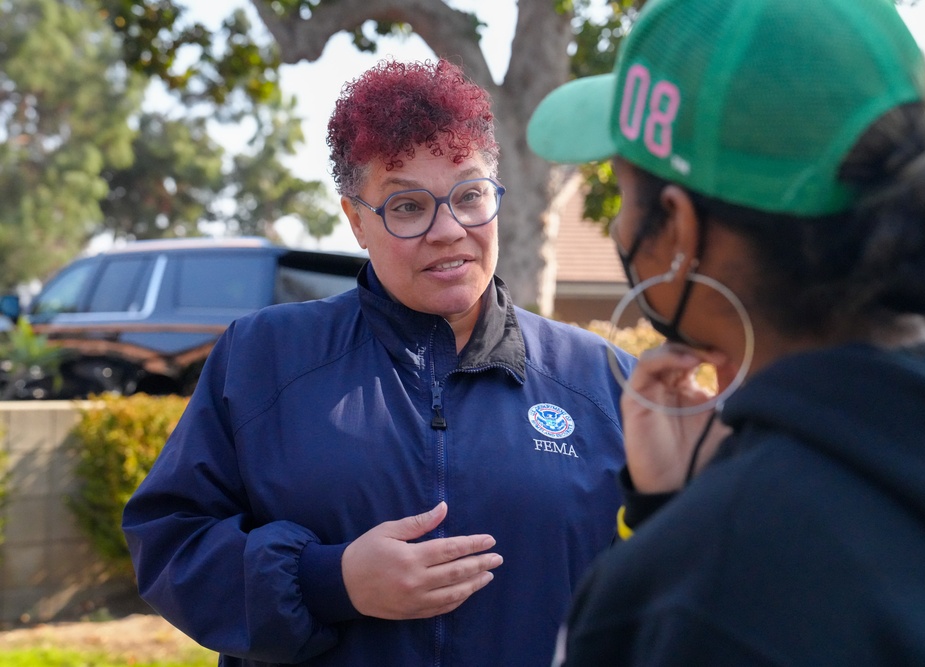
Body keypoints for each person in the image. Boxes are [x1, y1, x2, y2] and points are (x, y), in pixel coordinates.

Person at [527, 0, 925, 663]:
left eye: (624, 191)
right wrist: (685, 504)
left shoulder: (685, 594)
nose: (614, 230)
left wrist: (690, 534)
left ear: (679, 228)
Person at [122, 58, 635, 666]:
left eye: (470, 196)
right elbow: (169, 542)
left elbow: (681, 575)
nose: (449, 230)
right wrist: (330, 581)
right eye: (408, 207)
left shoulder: (600, 378)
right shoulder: (263, 359)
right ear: (355, 221)